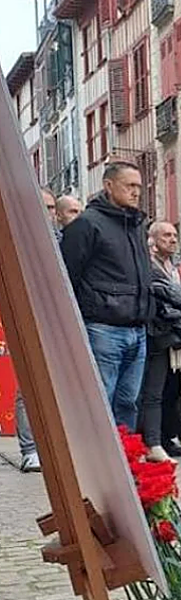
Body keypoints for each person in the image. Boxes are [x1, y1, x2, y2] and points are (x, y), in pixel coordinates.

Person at [60, 163, 154, 430]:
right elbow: (69, 275)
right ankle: (96, 463)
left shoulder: (136, 224)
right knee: (101, 401)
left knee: (128, 402)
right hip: (103, 326)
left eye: (138, 186)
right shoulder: (87, 224)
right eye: (130, 186)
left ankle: (124, 460)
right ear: (109, 186)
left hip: (137, 327)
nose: (137, 192)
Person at [13, 188, 61, 473]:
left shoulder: (64, 241)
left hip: (61, 324)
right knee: (28, 387)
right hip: (30, 319)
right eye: (43, 206)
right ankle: (30, 450)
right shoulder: (17, 240)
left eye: (52, 207)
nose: (48, 213)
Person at [141, 221, 181, 461]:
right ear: (152, 240)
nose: (173, 239)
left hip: (174, 335)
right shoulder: (149, 266)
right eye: (167, 235)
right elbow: (173, 299)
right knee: (152, 391)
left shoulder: (173, 267)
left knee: (171, 389)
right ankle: (151, 441)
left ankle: (166, 437)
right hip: (157, 333)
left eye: (174, 235)